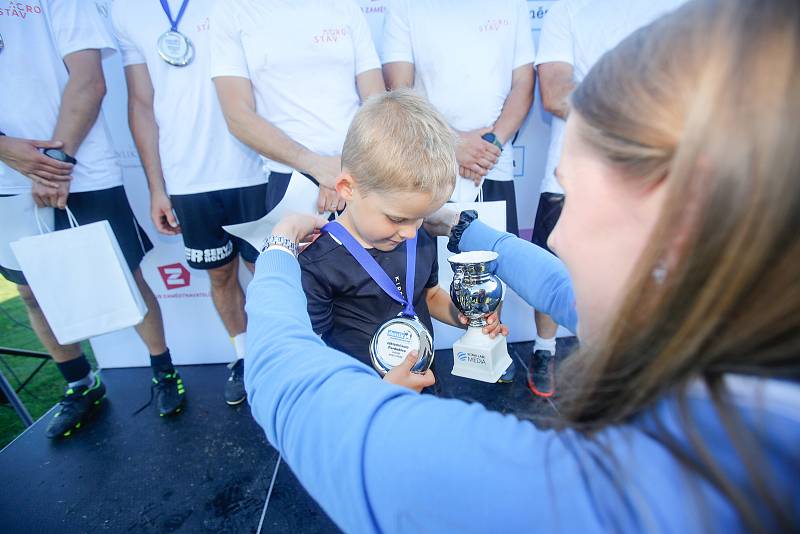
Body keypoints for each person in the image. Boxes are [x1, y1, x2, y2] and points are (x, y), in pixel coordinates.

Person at [242, 0, 799, 530]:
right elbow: (563, 291)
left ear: (680, 216)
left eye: (572, 193)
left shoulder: (589, 498)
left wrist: (277, 250)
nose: (558, 234)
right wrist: (466, 228)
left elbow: (285, 384)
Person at [0, 0, 183, 438]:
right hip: (7, 179)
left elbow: (89, 80)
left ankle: (163, 371)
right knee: (30, 291)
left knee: (124, 277)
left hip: (83, 170)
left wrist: (54, 164)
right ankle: (80, 383)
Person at [110, 0, 267, 407]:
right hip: (187, 177)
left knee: (269, 274)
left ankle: (284, 355)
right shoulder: (126, 10)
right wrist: (157, 188)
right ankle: (245, 357)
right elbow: (141, 105)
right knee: (220, 276)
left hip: (255, 165)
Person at [528, 0, 687, 397]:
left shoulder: (680, 8)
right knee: (553, 262)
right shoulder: (567, 9)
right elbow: (554, 93)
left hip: (651, 175)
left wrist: (597, 97)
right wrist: (643, 102)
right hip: (569, 172)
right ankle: (544, 349)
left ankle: (629, 361)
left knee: (646, 273)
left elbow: (689, 94)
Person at [299, 90, 506, 378]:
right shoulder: (318, 262)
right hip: (361, 401)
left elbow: (430, 295)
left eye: (420, 217)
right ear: (348, 188)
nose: (410, 232)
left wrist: (466, 318)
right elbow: (307, 354)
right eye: (397, 218)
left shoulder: (417, 236)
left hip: (423, 384)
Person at [209, 0, 385, 218]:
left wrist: (345, 168)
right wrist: (318, 167)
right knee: (297, 253)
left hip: (360, 173)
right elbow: (238, 116)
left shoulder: (346, 6)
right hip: (291, 181)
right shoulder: (233, 9)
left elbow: (376, 101)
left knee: (377, 252)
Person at [381, 0, 535, 238]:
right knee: (434, 274)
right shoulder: (404, 5)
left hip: (493, 167)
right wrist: (452, 143)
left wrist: (490, 146)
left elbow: (524, 84)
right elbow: (400, 89)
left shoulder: (514, 4)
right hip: (430, 165)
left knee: (497, 268)